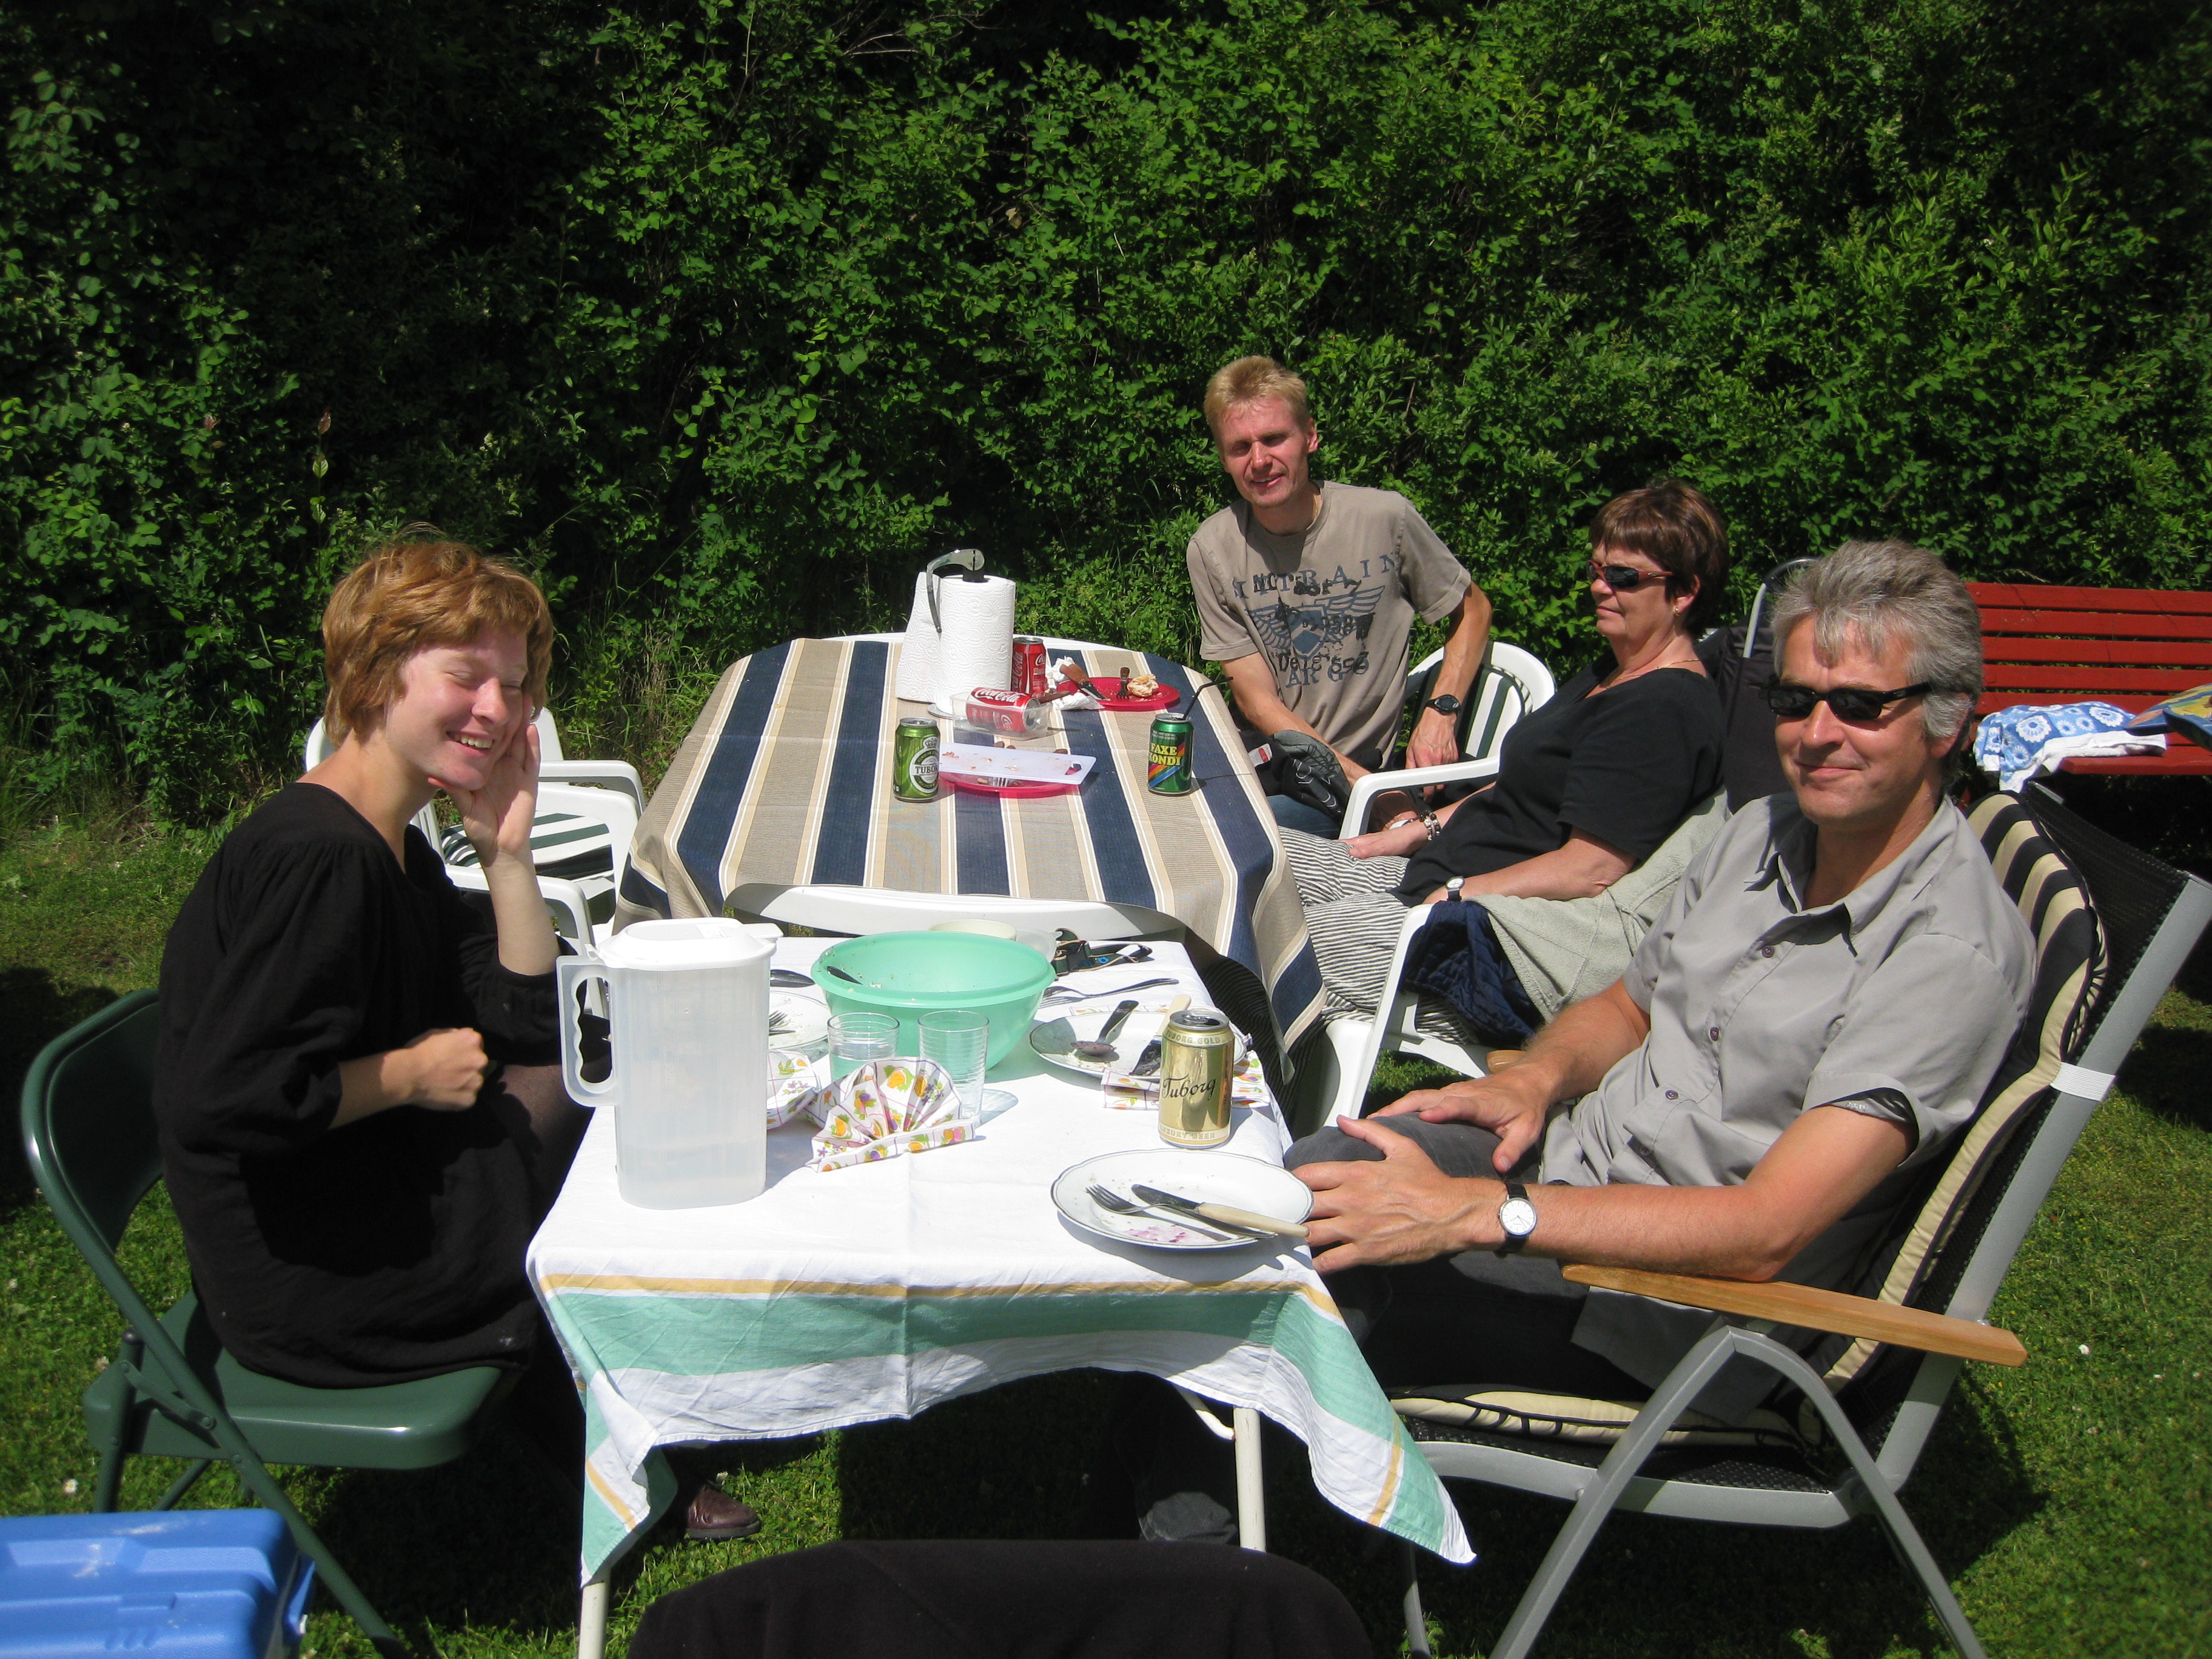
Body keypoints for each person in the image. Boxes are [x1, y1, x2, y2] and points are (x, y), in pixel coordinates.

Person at [1287, 540, 2037, 1419]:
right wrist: (1536, 1079)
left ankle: (1206, 1503)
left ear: (1949, 724)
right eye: (1796, 700)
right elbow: (1628, 1004)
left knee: (1310, 1269)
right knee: (1304, 1183)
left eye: (1862, 706)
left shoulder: (1945, 956)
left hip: (1662, 1314)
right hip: (1568, 1170)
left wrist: (1477, 1214)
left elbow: (1764, 1231)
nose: (1817, 734)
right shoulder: (1760, 833)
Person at [153, 532, 757, 1541]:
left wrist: (506, 854)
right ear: (374, 672)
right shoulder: (320, 862)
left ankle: (616, 1404)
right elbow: (223, 1100)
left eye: (512, 687)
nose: (497, 710)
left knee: (582, 1075)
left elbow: (519, 1014)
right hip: (315, 1274)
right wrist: (404, 1075)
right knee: (589, 1119)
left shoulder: (389, 840)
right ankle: (609, 1425)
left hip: (352, 1194)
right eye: (464, 677)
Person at [1282, 481, 1730, 1048]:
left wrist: (1458, 893)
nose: (1600, 587)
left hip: (1479, 942)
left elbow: (1589, 870)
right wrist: (1417, 830)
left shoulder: (1663, 709)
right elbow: (1519, 788)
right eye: (1596, 570)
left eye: (1623, 577)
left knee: (1277, 945)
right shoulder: (1611, 673)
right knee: (1258, 857)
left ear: (1684, 592)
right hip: (1435, 874)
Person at [1187, 355, 1492, 834]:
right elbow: (1256, 700)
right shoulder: (1213, 548)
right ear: (1224, 459)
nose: (1259, 461)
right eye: (1240, 447)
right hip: (1283, 770)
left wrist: (1442, 711)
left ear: (1310, 436)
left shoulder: (1384, 519)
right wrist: (1366, 788)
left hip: (1351, 783)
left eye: (1274, 439)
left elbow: (1473, 608)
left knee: (1227, 838)